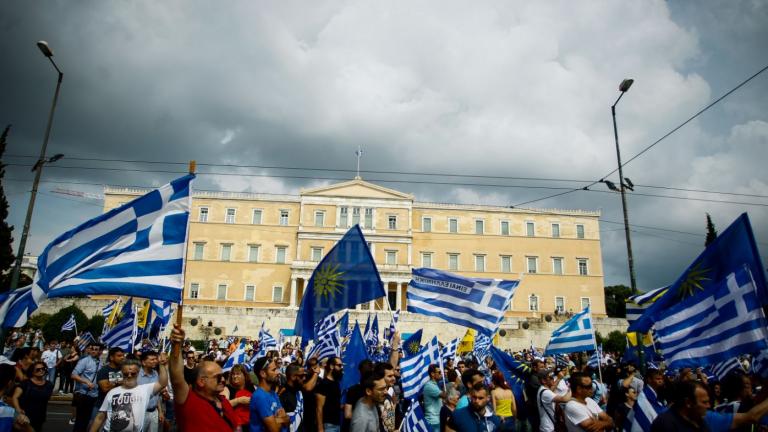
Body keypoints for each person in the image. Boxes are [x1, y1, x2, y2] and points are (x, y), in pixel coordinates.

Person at [169, 324, 238, 431]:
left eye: (223, 376)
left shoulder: (224, 402)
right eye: (218, 377)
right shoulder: (189, 402)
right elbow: (177, 379)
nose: (223, 380)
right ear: (201, 381)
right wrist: (176, 345)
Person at [89, 355, 169, 432]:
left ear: (138, 373)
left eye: (133, 373)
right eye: (126, 374)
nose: (129, 376)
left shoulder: (145, 389)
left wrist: (161, 365)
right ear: (121, 374)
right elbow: (100, 416)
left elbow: (163, 383)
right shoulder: (112, 392)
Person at [249, 357, 290, 432]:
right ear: (263, 374)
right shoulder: (259, 397)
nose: (277, 372)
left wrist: (277, 420)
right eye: (274, 370)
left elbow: (287, 420)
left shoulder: (273, 393)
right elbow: (274, 429)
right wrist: (282, 420)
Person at [71, 343, 102, 432]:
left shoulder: (101, 362)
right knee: (81, 422)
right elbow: (73, 375)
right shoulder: (84, 361)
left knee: (91, 422)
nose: (93, 351)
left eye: (96, 349)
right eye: (92, 349)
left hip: (95, 395)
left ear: (100, 351)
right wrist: (86, 381)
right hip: (84, 395)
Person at [17, 361, 53, 431]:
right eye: (38, 369)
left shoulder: (49, 384)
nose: (41, 370)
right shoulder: (25, 383)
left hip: (40, 416)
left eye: (43, 368)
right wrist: (19, 411)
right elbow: (15, 397)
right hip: (25, 417)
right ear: (32, 372)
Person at [0, 363, 34, 431]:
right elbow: (30, 430)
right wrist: (25, 424)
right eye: (15, 380)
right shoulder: (9, 411)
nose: (15, 383)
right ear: (9, 383)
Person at [138, 350, 163, 432]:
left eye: (156, 359)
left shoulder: (156, 373)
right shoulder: (136, 375)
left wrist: (160, 411)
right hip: (140, 414)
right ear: (143, 362)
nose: (155, 361)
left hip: (154, 412)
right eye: (152, 359)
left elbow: (157, 395)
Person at [96, 347, 127, 414]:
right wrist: (119, 382)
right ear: (111, 358)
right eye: (119, 356)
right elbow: (105, 388)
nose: (122, 358)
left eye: (123, 356)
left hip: (119, 407)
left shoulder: (124, 370)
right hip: (103, 406)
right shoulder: (104, 371)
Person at [316, 357, 343, 432]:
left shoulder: (336, 383)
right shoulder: (324, 384)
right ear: (331, 366)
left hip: (337, 424)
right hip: (328, 426)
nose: (341, 368)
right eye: (339, 365)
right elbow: (319, 408)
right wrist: (320, 428)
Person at [279, 364, 305, 432]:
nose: (304, 378)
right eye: (301, 376)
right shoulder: (282, 394)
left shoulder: (299, 391)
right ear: (293, 377)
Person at [423, 365, 444, 432]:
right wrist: (454, 385)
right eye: (439, 372)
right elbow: (444, 395)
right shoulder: (429, 385)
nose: (441, 374)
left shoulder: (435, 384)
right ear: (432, 374)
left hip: (437, 420)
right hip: (433, 421)